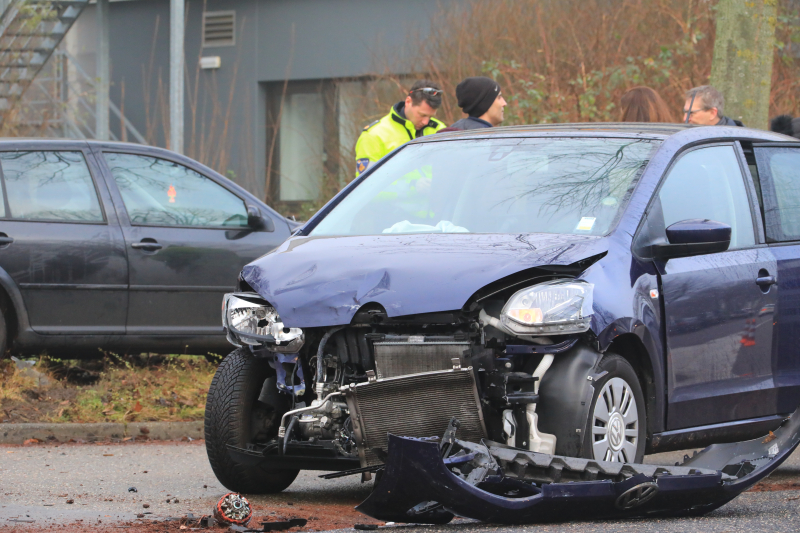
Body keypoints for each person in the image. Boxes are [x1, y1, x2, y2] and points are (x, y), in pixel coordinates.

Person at [354, 79, 446, 176]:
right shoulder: (374, 136)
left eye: (431, 116)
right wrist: (413, 185)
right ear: (408, 101)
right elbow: (368, 183)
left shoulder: (440, 130)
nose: (426, 122)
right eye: (422, 115)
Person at [439, 76, 507, 132]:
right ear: (485, 103)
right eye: (499, 97)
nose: (504, 103)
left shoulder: (447, 136)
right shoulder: (485, 140)